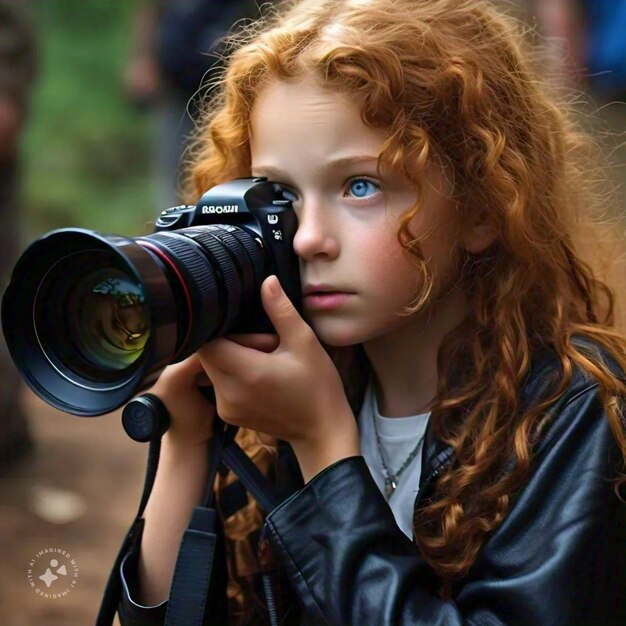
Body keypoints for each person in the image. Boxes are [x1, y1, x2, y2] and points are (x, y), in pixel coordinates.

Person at [112, 0, 626, 624]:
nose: (308, 239)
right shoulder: (277, 398)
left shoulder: (574, 411)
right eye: (281, 195)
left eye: (361, 186)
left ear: (484, 205)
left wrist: (324, 448)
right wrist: (188, 441)